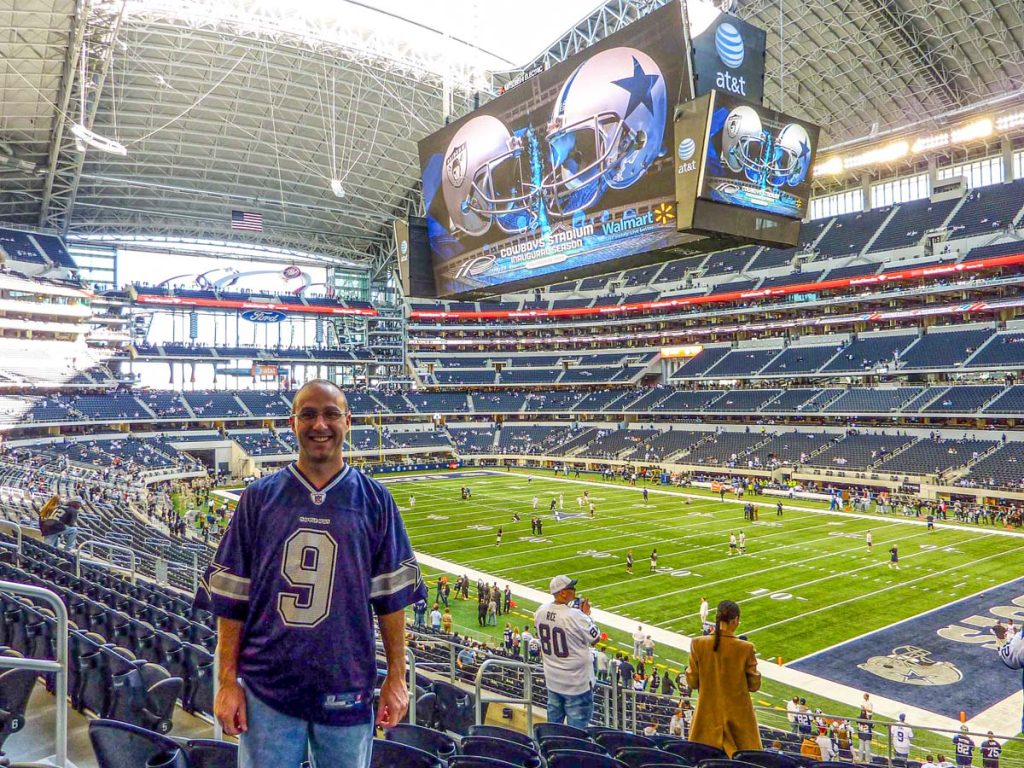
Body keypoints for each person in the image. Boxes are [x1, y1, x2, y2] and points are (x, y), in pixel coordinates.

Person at [195, 380, 426, 768]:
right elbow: (233, 600)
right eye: (309, 414)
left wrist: (397, 678)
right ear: (293, 422)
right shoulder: (259, 497)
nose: (320, 424)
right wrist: (226, 682)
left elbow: (391, 600)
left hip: (347, 686)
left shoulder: (374, 500)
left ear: (348, 422)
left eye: (331, 414)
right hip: (268, 689)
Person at [685, 600, 761, 756]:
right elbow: (754, 685)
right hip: (739, 724)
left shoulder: (697, 643)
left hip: (706, 721)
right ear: (735, 620)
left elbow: (692, 682)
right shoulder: (745, 648)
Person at [533, 575, 601, 729]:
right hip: (576, 682)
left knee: (553, 729)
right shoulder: (576, 616)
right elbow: (595, 638)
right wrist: (586, 615)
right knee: (576, 734)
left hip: (553, 679)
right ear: (563, 593)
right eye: (571, 588)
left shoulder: (541, 610)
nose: (574, 590)